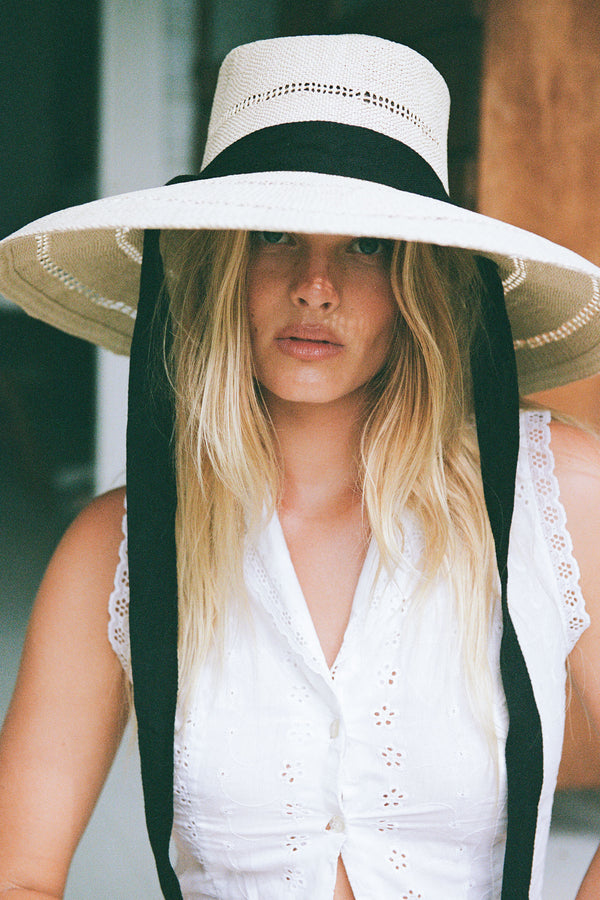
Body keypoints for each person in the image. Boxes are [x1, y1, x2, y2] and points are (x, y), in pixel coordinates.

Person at [0, 32, 600, 900]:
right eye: (274, 234)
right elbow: (17, 870)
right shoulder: (118, 547)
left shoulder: (555, 493)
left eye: (368, 246)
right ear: (219, 266)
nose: (316, 286)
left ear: (421, 281)